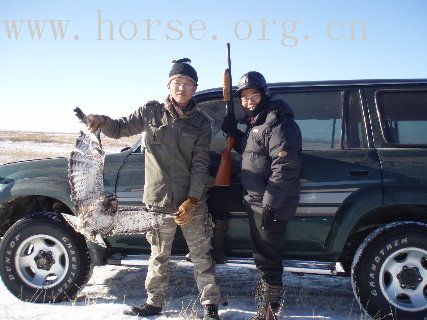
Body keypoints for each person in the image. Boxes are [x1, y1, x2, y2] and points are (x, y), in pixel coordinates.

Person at [85, 58, 221, 319]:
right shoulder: (151, 113)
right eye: (177, 83)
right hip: (158, 202)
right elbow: (121, 127)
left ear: (195, 88)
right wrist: (102, 121)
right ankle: (154, 303)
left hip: (190, 203)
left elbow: (201, 164)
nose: (182, 88)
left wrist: (192, 200)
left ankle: (210, 305)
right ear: (168, 85)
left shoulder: (202, 123)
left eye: (188, 84)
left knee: (202, 255)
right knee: (158, 255)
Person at [220, 71, 302, 319]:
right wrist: (235, 134)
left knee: (267, 257)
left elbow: (284, 167)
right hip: (251, 195)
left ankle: (269, 312)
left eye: (253, 94)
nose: (248, 100)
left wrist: (270, 204)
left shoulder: (280, 124)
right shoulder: (259, 123)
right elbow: (255, 152)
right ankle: (215, 252)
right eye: (244, 97)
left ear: (264, 94)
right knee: (216, 198)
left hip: (269, 203)